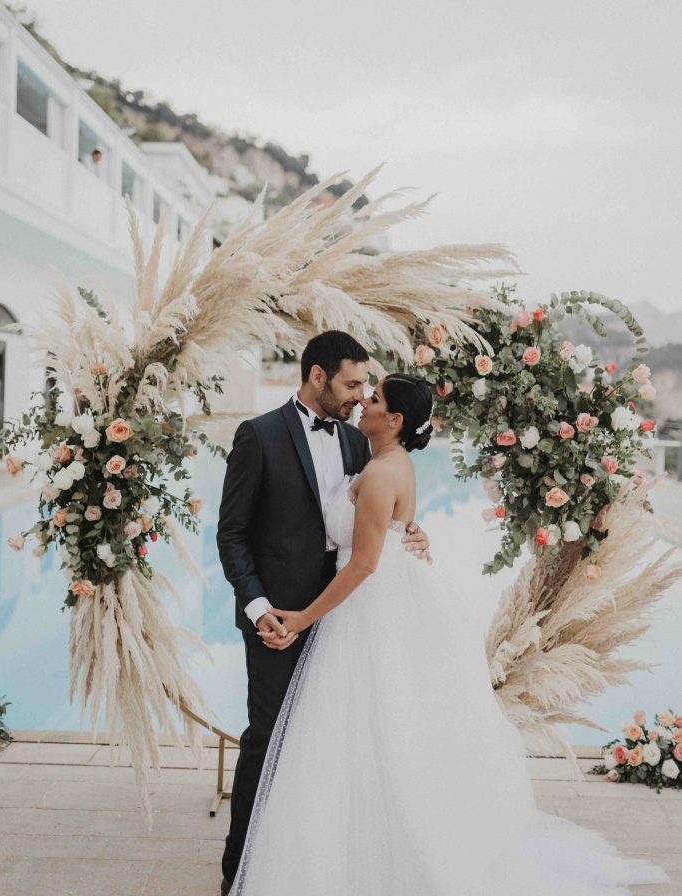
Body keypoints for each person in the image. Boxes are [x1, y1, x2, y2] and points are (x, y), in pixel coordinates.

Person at [227, 372, 669, 896]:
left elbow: (363, 564)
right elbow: (386, 536)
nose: (363, 402)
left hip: (365, 610)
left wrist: (302, 618)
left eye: (374, 398)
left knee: (359, 736)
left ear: (393, 420)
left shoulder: (378, 472)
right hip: (383, 605)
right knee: (379, 736)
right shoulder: (387, 462)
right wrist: (407, 533)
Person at [217, 333, 431, 892]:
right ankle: (239, 871)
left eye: (368, 388)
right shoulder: (258, 435)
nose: (362, 397)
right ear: (317, 376)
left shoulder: (362, 444)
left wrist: (412, 533)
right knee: (266, 741)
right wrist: (261, 608)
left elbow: (372, 528)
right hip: (278, 623)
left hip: (345, 620)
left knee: (334, 745)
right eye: (352, 384)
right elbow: (232, 534)